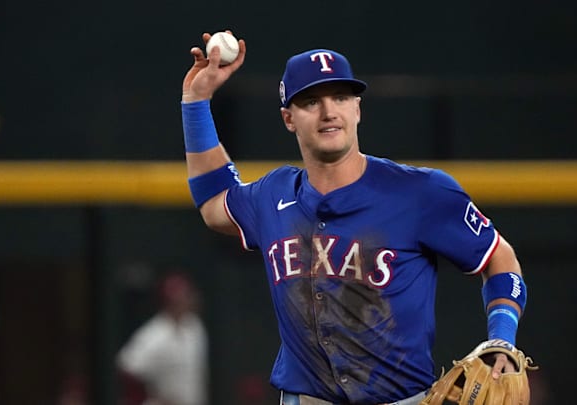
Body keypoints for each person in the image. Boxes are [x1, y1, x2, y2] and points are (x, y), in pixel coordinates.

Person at [181, 31, 528, 404]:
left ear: (357, 109)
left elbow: (499, 259)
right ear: (288, 119)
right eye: (311, 101)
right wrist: (196, 101)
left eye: (341, 97)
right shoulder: (273, 194)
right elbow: (214, 200)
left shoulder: (420, 192)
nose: (329, 111)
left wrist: (502, 338)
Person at [116, 271, 208, 405]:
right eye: (182, 297)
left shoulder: (194, 326)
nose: (187, 300)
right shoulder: (155, 333)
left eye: (187, 295)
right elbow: (126, 366)